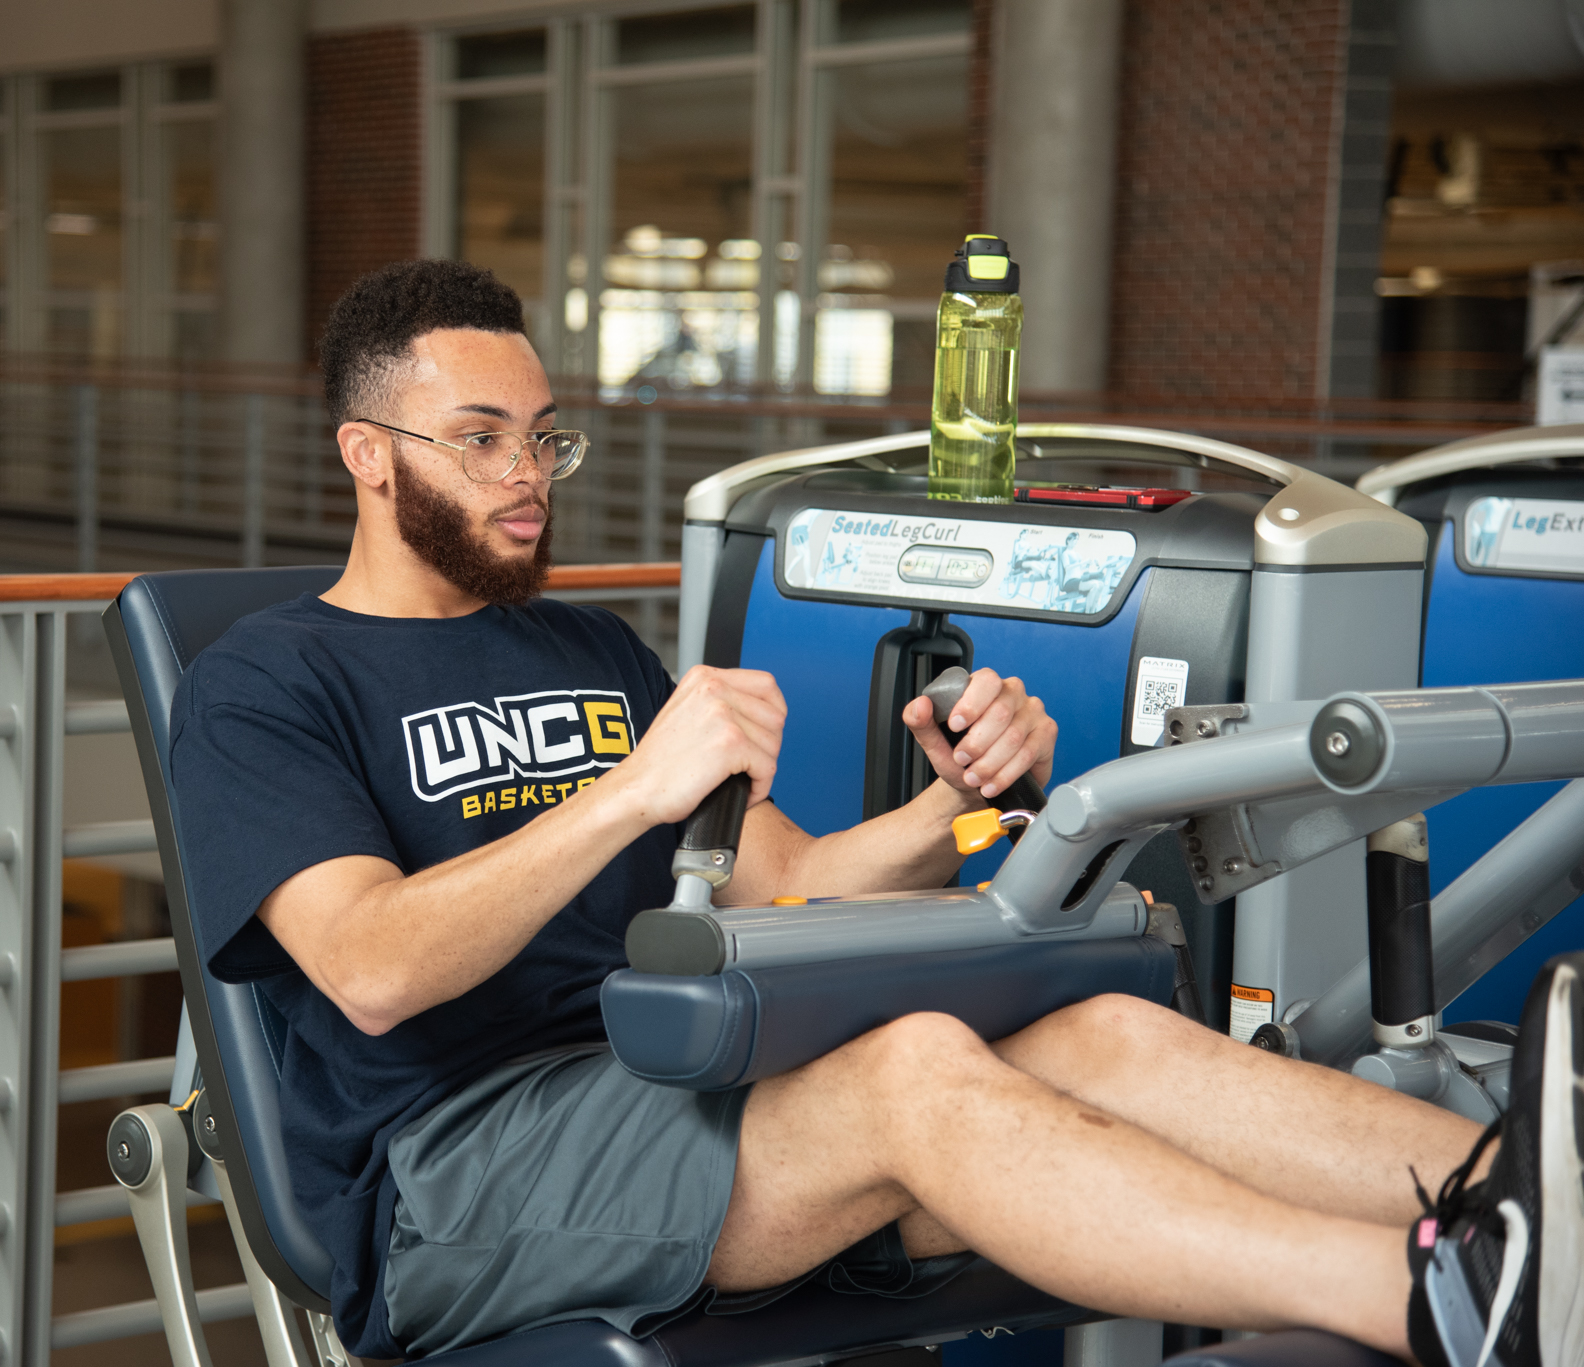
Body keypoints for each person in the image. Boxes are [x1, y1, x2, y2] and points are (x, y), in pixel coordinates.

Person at [170, 260, 1581, 1366]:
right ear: (369, 453)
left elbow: (783, 882)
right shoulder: (267, 684)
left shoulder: (587, 652)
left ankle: (1528, 1205)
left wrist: (945, 810)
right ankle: (1439, 1304)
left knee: (1086, 1035)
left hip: (672, 1084)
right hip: (455, 1173)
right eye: (478, 441)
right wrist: (630, 795)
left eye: (543, 439)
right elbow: (368, 968)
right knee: (913, 1073)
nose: (526, 477)